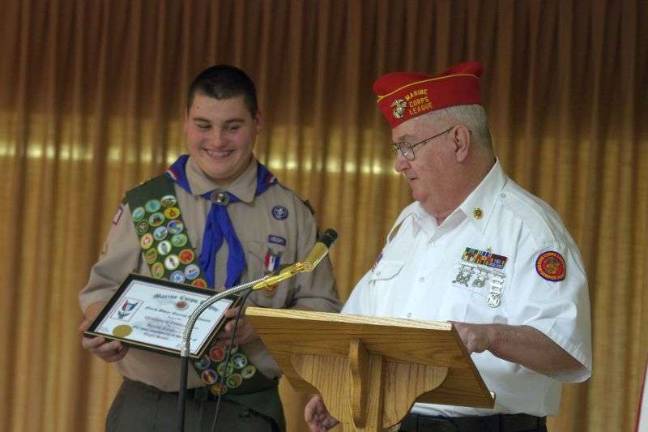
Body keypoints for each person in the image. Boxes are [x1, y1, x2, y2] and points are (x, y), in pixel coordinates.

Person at [305, 62, 592, 432]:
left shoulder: (529, 229)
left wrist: (489, 336)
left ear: (458, 141)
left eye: (408, 147)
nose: (398, 164)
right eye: (397, 149)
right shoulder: (409, 225)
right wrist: (344, 390)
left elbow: (567, 351)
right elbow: (364, 325)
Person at [78, 64, 341, 432]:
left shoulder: (292, 214)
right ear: (186, 121)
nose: (217, 141)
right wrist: (101, 330)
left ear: (257, 123)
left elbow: (323, 307)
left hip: (245, 408)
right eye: (203, 125)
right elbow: (103, 290)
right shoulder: (147, 202)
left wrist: (263, 326)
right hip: (150, 407)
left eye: (232, 127)